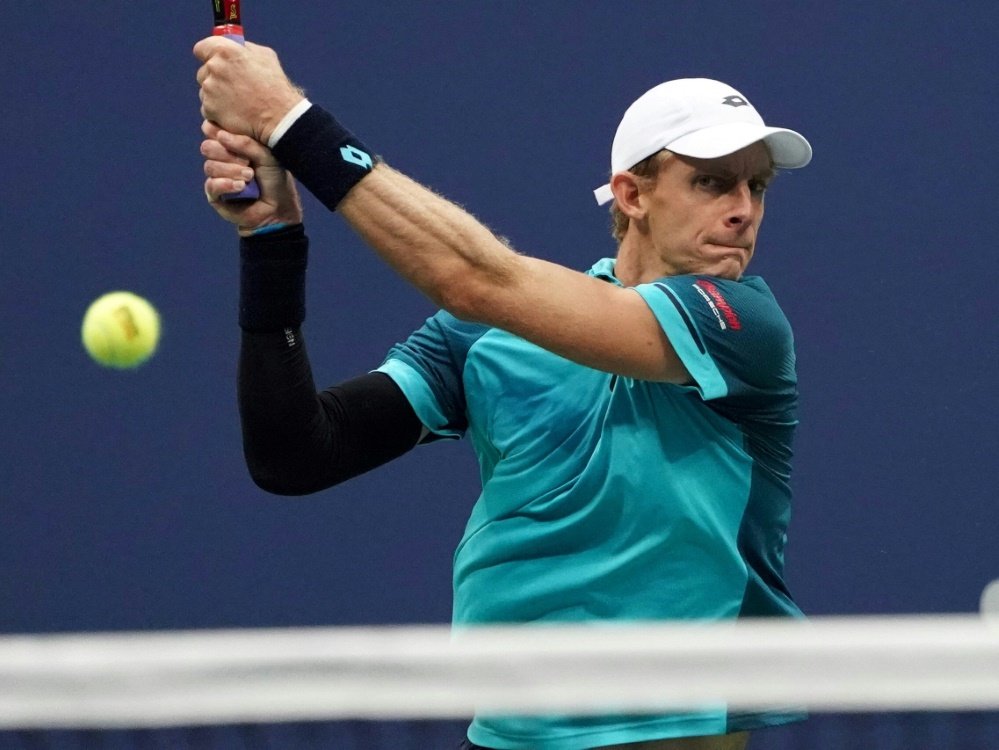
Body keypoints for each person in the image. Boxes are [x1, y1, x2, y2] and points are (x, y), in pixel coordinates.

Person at [194, 33, 813, 750]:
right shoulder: (483, 338)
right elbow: (295, 454)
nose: (743, 209)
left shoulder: (742, 325)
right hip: (508, 732)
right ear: (631, 194)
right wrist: (271, 242)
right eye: (712, 182)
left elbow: (476, 279)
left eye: (756, 186)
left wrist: (285, 119)